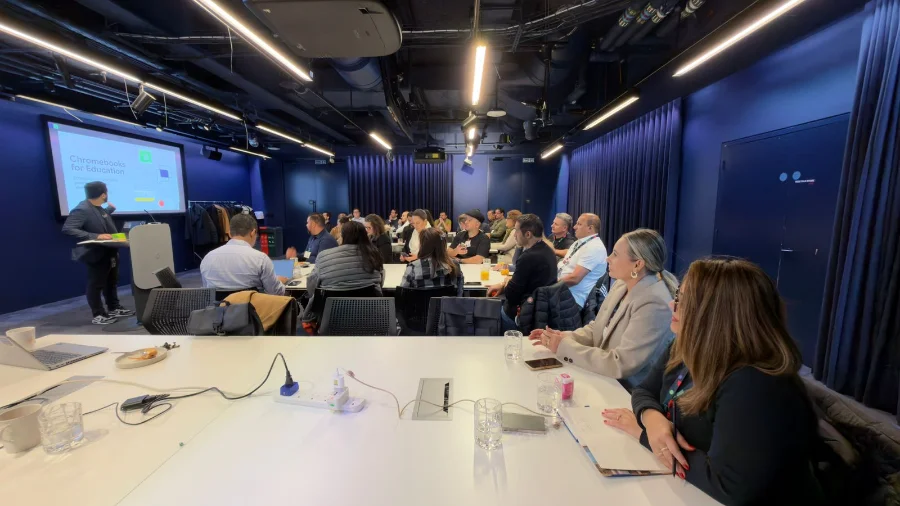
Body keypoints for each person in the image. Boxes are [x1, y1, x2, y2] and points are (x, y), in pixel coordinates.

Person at [601, 258, 824, 505]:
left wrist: (645, 435)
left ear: (717, 316)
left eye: (683, 301)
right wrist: (652, 419)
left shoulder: (754, 385)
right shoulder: (687, 347)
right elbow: (644, 390)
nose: (672, 305)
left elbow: (728, 487)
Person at [528, 229, 677, 387]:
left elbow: (621, 364)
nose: (608, 258)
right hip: (604, 379)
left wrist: (563, 346)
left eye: (615, 254)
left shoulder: (654, 303)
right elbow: (598, 329)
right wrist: (563, 336)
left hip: (627, 391)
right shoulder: (622, 284)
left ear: (637, 264)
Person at [61, 181, 135, 325]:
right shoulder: (81, 209)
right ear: (103, 195)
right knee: (96, 284)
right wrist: (96, 236)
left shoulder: (98, 208)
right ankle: (98, 314)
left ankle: (113, 307)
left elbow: (98, 219)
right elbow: (68, 228)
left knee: (111, 281)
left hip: (110, 251)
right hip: (95, 253)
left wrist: (109, 210)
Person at [488, 214, 558, 332]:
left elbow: (511, 295)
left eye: (516, 231)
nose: (514, 235)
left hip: (526, 314)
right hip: (542, 311)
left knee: (491, 311)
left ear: (528, 234)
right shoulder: (547, 250)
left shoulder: (528, 257)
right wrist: (504, 284)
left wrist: (506, 283)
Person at [304, 221, 385, 316]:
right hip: (370, 315)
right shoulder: (374, 255)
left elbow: (311, 287)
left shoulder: (323, 256)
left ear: (342, 236)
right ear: (365, 236)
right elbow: (380, 283)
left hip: (331, 317)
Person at [200, 214, 287, 296]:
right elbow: (275, 292)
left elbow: (207, 293)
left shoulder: (208, 258)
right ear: (253, 232)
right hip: (252, 306)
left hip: (218, 307)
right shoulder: (261, 259)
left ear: (229, 234)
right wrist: (280, 281)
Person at [557, 213, 608, 308]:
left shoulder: (594, 247)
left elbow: (574, 278)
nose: (574, 227)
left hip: (573, 299)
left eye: (579, 224)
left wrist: (551, 285)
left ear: (590, 228)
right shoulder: (578, 242)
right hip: (563, 292)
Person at [401, 228, 464, 296]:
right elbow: (459, 292)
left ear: (422, 245)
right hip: (447, 302)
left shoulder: (413, 267)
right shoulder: (454, 265)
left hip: (421, 303)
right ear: (444, 245)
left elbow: (403, 292)